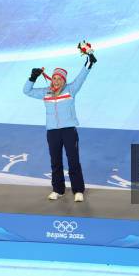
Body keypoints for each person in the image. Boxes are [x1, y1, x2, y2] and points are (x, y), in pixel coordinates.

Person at [23, 53, 96, 202]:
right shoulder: (45, 92)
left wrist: (89, 62)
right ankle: (58, 190)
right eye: (54, 78)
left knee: (73, 160)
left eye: (59, 79)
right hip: (52, 132)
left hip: (69, 131)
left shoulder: (71, 90)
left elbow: (82, 76)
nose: (56, 81)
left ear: (64, 81)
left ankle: (78, 190)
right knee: (55, 161)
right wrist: (33, 77)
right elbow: (27, 91)